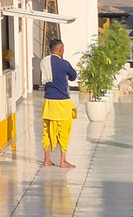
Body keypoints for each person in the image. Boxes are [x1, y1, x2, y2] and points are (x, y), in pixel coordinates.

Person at [41, 39, 78, 168]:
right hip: (62, 102)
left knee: (46, 130)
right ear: (60, 49)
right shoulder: (64, 64)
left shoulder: (44, 62)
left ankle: (47, 159)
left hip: (48, 101)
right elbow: (73, 76)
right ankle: (63, 160)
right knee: (64, 131)